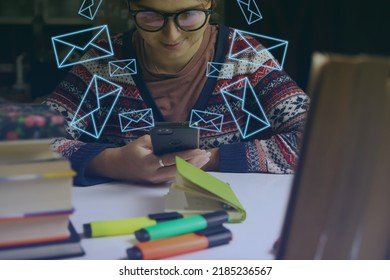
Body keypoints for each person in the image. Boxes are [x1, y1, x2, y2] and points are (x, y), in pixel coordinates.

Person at [43, 0, 309, 186]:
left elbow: (319, 142)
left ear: (210, 5)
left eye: (189, 15)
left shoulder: (245, 55)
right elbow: (26, 143)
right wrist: (112, 162)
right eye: (150, 16)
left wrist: (211, 159)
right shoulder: (102, 61)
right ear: (131, 9)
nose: (171, 35)